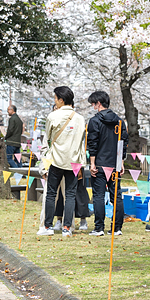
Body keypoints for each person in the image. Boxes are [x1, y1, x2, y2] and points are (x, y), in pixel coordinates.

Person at [37, 87, 85, 237]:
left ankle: (47, 226)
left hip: (56, 160)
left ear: (61, 100)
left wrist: (44, 164)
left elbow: (48, 141)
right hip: (74, 162)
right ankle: (67, 228)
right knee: (70, 195)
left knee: (51, 193)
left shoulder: (53, 116)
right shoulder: (80, 118)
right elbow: (82, 143)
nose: (54, 101)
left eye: (55, 98)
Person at [86, 90, 127, 237]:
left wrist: (92, 163)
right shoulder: (120, 121)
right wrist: (121, 161)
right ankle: (117, 228)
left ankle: (99, 228)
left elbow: (93, 144)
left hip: (100, 164)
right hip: (115, 163)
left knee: (98, 196)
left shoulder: (94, 121)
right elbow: (124, 142)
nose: (92, 106)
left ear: (98, 103)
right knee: (116, 196)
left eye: (93, 104)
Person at [5, 104, 24, 169]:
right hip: (18, 142)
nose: (7, 111)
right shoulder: (19, 120)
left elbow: (10, 130)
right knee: (18, 159)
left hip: (11, 142)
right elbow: (21, 131)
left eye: (8, 110)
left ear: (12, 110)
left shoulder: (12, 119)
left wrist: (6, 137)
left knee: (8, 158)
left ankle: (17, 170)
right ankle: (22, 172)